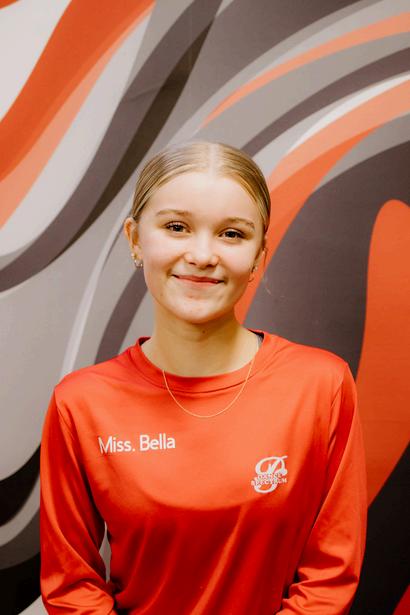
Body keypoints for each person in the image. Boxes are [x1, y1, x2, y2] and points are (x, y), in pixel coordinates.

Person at [39, 140, 367, 614]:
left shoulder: (322, 385)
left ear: (258, 255)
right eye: (176, 227)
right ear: (135, 239)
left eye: (232, 234)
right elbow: (72, 588)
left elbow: (330, 578)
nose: (202, 254)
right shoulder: (80, 403)